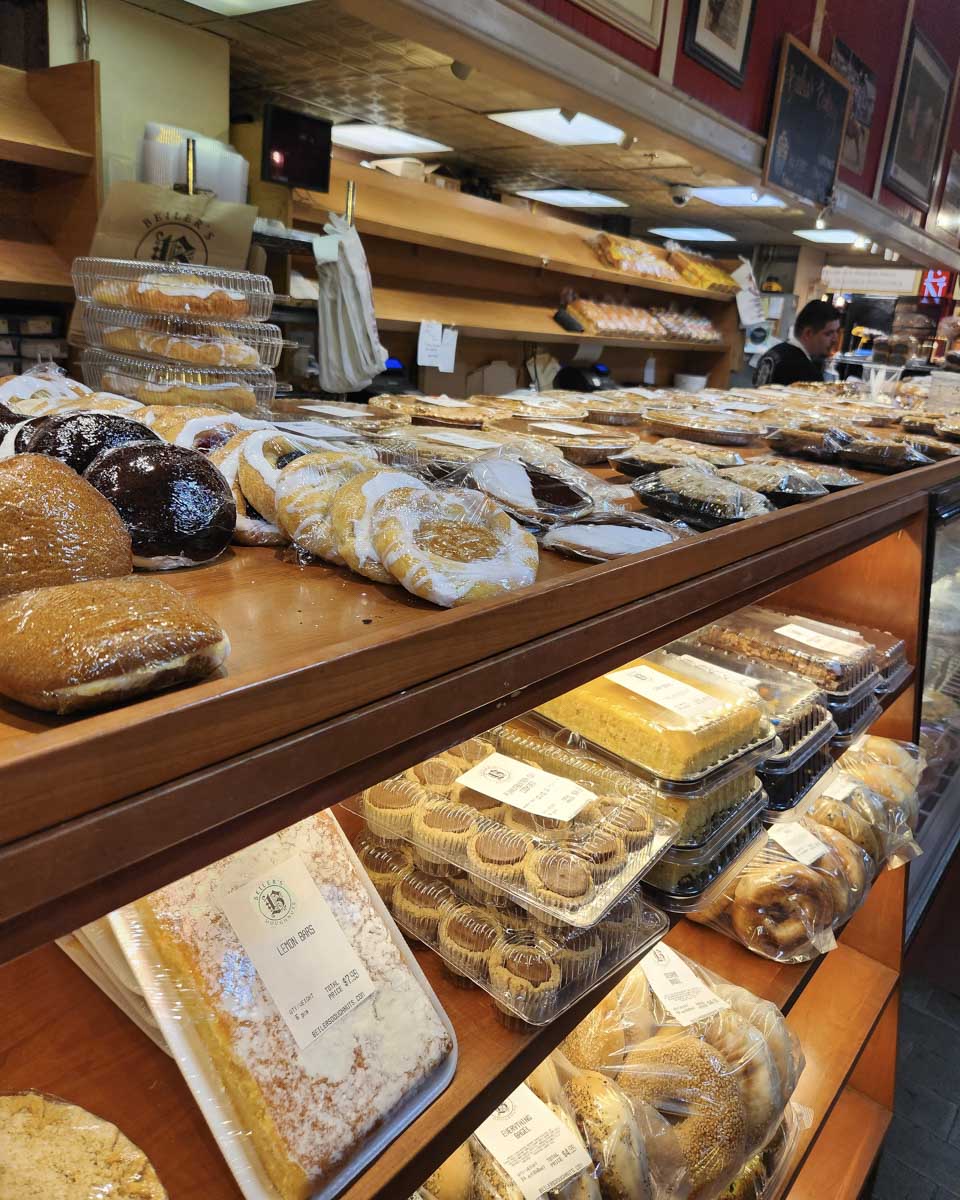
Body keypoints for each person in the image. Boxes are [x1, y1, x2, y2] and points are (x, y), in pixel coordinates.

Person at [753, 300, 841, 386]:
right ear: (808, 333)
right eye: (829, 333)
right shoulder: (806, 372)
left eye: (837, 332)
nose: (835, 339)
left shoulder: (773, 352)